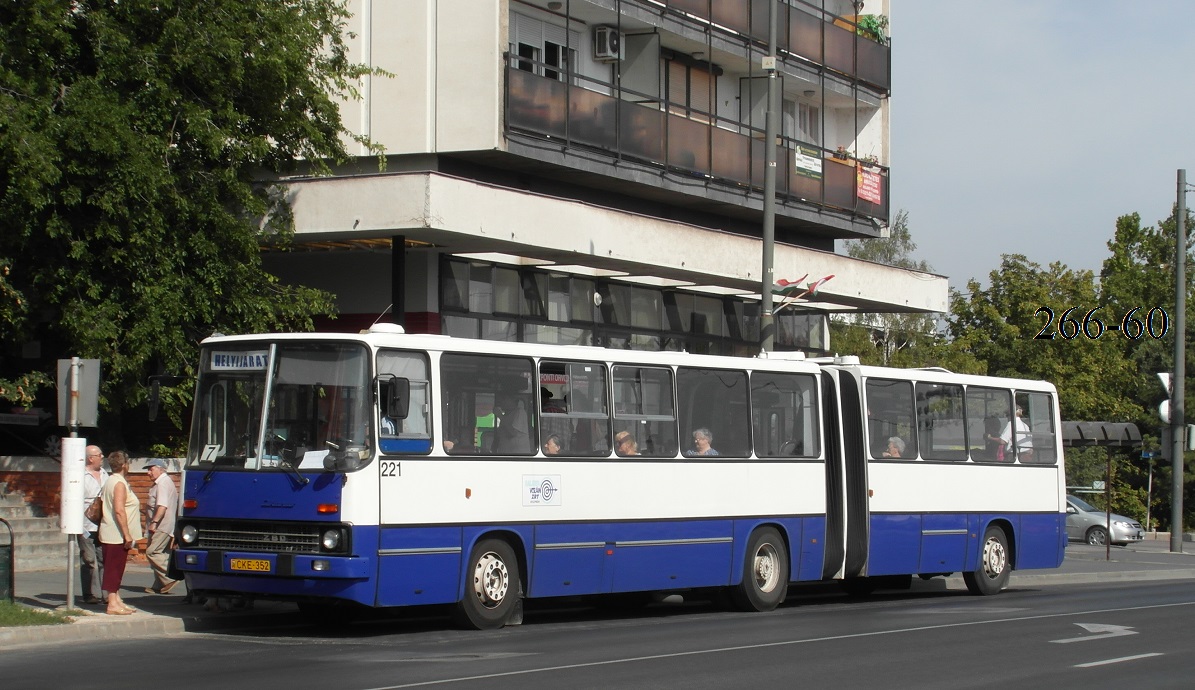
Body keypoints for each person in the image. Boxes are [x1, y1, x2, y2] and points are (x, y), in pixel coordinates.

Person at [98, 450, 142, 615]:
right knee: (114, 569)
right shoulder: (118, 484)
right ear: (124, 465)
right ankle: (112, 604)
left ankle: (116, 599)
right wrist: (127, 534)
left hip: (112, 533)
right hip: (115, 534)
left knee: (116, 567)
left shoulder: (111, 480)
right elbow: (119, 510)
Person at [144, 459, 182, 595]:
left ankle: (169, 577)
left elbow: (162, 506)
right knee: (163, 554)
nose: (148, 473)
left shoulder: (162, 484)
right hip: (165, 525)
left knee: (152, 552)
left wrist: (154, 522)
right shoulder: (163, 482)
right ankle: (159, 585)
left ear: (160, 469)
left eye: (151, 469)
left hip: (161, 525)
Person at [79, 445, 108, 605]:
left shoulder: (105, 474)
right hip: (86, 525)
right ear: (91, 458)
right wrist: (79, 528)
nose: (102, 456)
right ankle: (89, 594)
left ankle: (105, 594)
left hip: (103, 525)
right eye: (99, 454)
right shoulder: (81, 476)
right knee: (88, 560)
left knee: (103, 559)